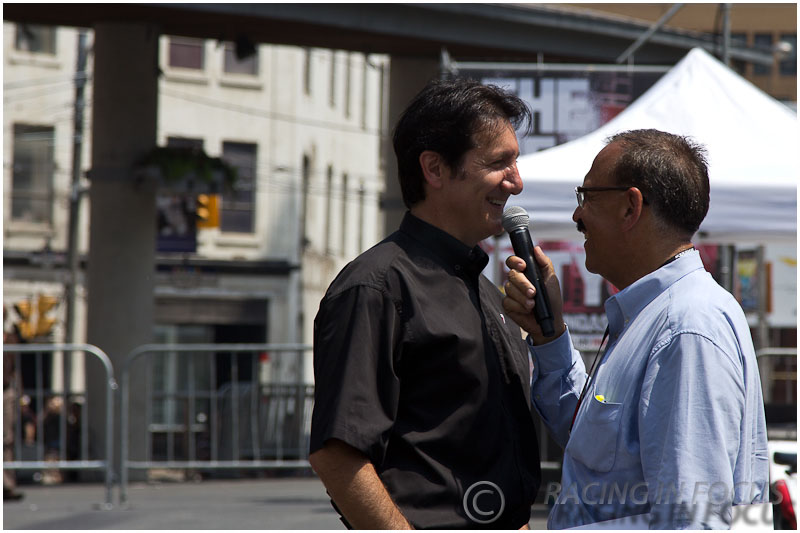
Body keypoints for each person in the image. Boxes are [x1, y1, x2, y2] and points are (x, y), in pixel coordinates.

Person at [503, 129, 769, 529]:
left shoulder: (686, 328)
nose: (577, 215)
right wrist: (549, 335)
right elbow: (589, 438)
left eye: (587, 196)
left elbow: (690, 524)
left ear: (631, 207)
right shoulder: (658, 315)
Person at [309, 78, 542, 529]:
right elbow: (338, 453)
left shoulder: (486, 291)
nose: (516, 182)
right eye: (500, 163)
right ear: (434, 169)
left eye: (516, 163)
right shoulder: (376, 287)